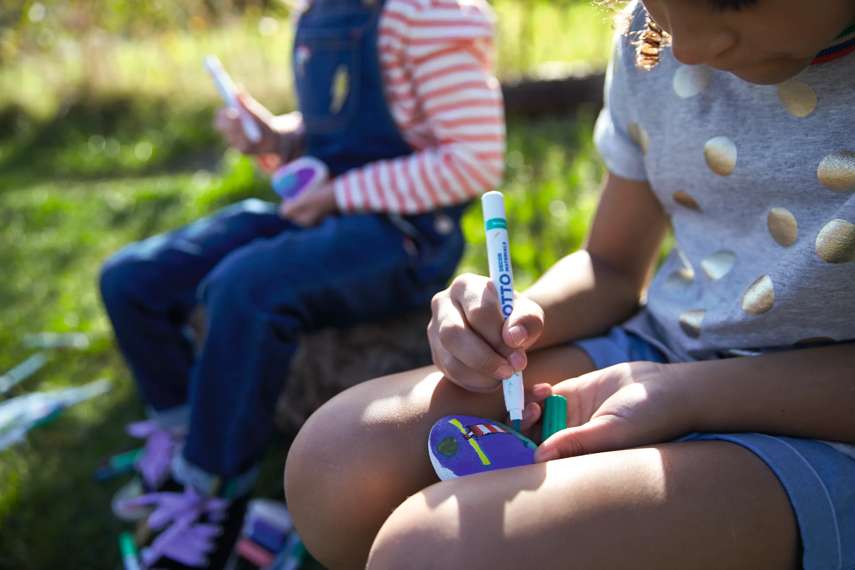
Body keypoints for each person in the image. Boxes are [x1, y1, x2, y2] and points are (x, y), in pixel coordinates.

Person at [284, 1, 855, 568]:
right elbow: (609, 264)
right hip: (661, 357)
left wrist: (689, 396)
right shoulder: (654, 40)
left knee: (432, 553)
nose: (691, 49)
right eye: (662, 9)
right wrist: (516, 314)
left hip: (818, 425)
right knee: (336, 464)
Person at [98, 0, 504, 566]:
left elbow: (474, 160)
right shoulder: (317, 12)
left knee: (244, 288)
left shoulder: (428, 14)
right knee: (131, 280)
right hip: (327, 208)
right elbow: (339, 135)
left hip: (402, 234)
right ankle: (187, 439)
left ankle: (212, 494)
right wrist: (281, 138)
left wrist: (339, 195)